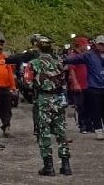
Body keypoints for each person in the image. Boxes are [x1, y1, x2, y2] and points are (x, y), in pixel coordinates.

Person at [24, 36, 72, 177]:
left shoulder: (33, 64)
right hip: (58, 98)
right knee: (61, 132)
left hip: (43, 99)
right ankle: (66, 165)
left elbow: (27, 83)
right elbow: (64, 82)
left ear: (37, 47)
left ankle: (48, 166)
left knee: (44, 132)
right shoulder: (58, 63)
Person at [63, 35, 104, 140]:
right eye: (100, 44)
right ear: (96, 45)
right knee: (96, 110)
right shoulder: (89, 55)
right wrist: (65, 59)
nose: (102, 47)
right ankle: (98, 130)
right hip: (94, 87)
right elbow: (75, 59)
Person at [0, 37, 16, 139]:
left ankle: (6, 128)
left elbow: (9, 72)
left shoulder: (4, 57)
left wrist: (13, 86)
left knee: (7, 109)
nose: (0, 47)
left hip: (5, 88)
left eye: (1, 45)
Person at [66, 37, 92, 133]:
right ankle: (82, 125)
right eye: (85, 45)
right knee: (80, 106)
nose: (86, 47)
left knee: (89, 105)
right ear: (80, 45)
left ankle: (89, 125)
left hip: (88, 84)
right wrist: (75, 83)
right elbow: (72, 70)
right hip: (79, 85)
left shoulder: (86, 56)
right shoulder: (73, 56)